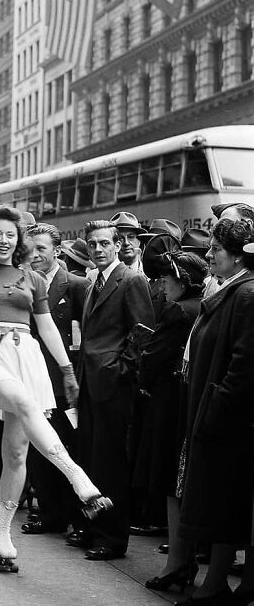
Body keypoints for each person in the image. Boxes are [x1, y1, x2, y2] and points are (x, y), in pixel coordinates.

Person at [0, 205, 112, 573]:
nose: (3, 240)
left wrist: (66, 371)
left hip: (26, 354)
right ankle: (79, 480)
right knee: (25, 403)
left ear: (19, 239)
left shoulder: (33, 278)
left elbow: (46, 328)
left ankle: (3, 533)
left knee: (16, 453)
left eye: (10, 234)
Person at [177, 219, 254, 605]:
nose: (208, 256)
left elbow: (244, 365)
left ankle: (217, 585)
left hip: (229, 421)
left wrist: (216, 405)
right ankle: (216, 583)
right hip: (218, 415)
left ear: (238, 255)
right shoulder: (235, 290)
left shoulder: (246, 294)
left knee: (225, 502)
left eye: (216, 250)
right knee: (220, 501)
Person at [73, 220, 155, 562]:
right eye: (93, 244)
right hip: (91, 382)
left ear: (118, 244)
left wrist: (122, 368)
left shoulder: (131, 279)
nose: (98, 249)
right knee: (91, 457)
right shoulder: (96, 281)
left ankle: (112, 536)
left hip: (113, 384)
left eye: (105, 243)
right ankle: (94, 526)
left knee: (110, 462)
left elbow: (143, 329)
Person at [137, 250, 207, 594]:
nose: (162, 286)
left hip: (170, 401)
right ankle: (185, 558)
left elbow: (153, 356)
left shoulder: (178, 311)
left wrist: (143, 380)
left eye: (167, 280)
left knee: (169, 482)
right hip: (189, 399)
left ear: (181, 282)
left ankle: (176, 564)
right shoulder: (204, 306)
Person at [22, 222, 90, 536]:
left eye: (41, 249)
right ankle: (49, 513)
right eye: (29, 249)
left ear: (57, 251)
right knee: (37, 447)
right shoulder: (19, 282)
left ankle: (76, 517)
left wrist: (72, 376)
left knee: (68, 446)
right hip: (29, 377)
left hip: (63, 381)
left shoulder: (75, 285)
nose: (34, 255)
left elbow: (82, 335)